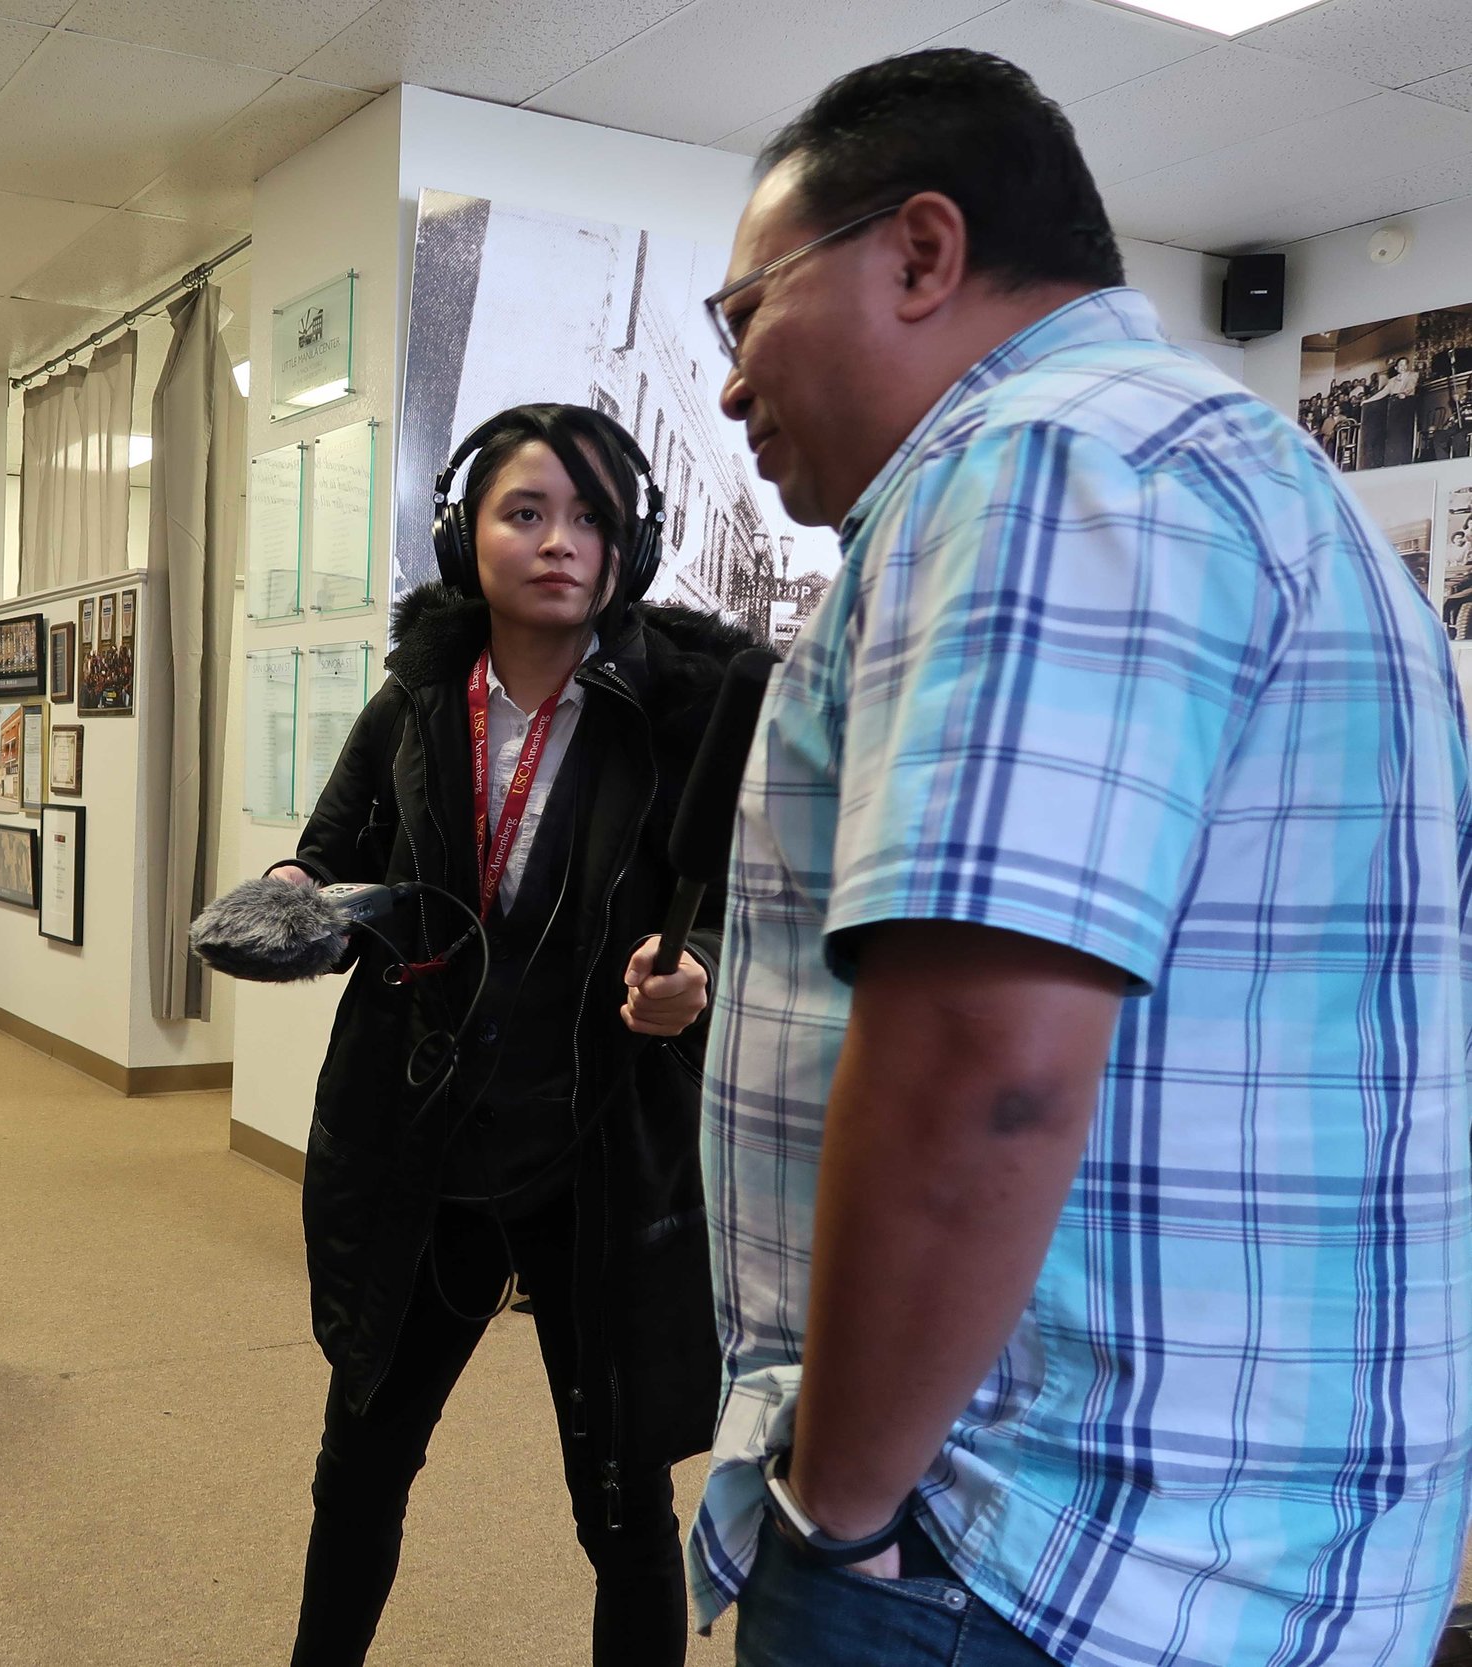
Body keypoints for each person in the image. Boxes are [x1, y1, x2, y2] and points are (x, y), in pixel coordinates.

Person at [691, 48, 1472, 1667]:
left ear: (920, 252)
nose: (729, 384)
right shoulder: (1268, 482)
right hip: (1264, 1550)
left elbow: (987, 1062)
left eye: (743, 312)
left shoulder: (1045, 462)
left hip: (1032, 1557)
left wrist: (837, 1507)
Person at [264, 401, 754, 1666]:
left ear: (630, 545)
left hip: (590, 1152)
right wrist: (294, 899)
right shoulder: (413, 704)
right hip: (418, 1141)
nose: (558, 541)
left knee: (623, 1508)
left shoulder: (682, 719)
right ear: (462, 534)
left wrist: (689, 977)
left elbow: (739, 919)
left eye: (589, 516)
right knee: (359, 1466)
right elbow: (324, 855)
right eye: (524, 511)